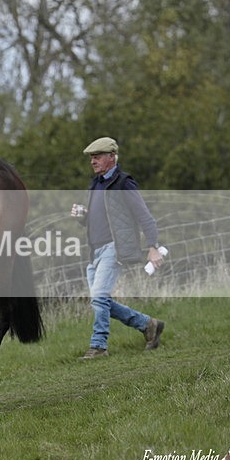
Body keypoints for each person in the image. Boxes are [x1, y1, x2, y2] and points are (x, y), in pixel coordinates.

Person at [70, 137, 166, 359]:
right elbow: (99, 219)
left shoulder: (124, 183)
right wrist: (82, 217)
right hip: (94, 251)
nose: (93, 161)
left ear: (111, 157)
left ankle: (99, 346)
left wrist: (153, 247)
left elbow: (145, 217)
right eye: (91, 157)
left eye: (98, 156)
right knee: (100, 300)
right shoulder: (95, 184)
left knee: (99, 297)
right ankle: (148, 325)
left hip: (114, 249)